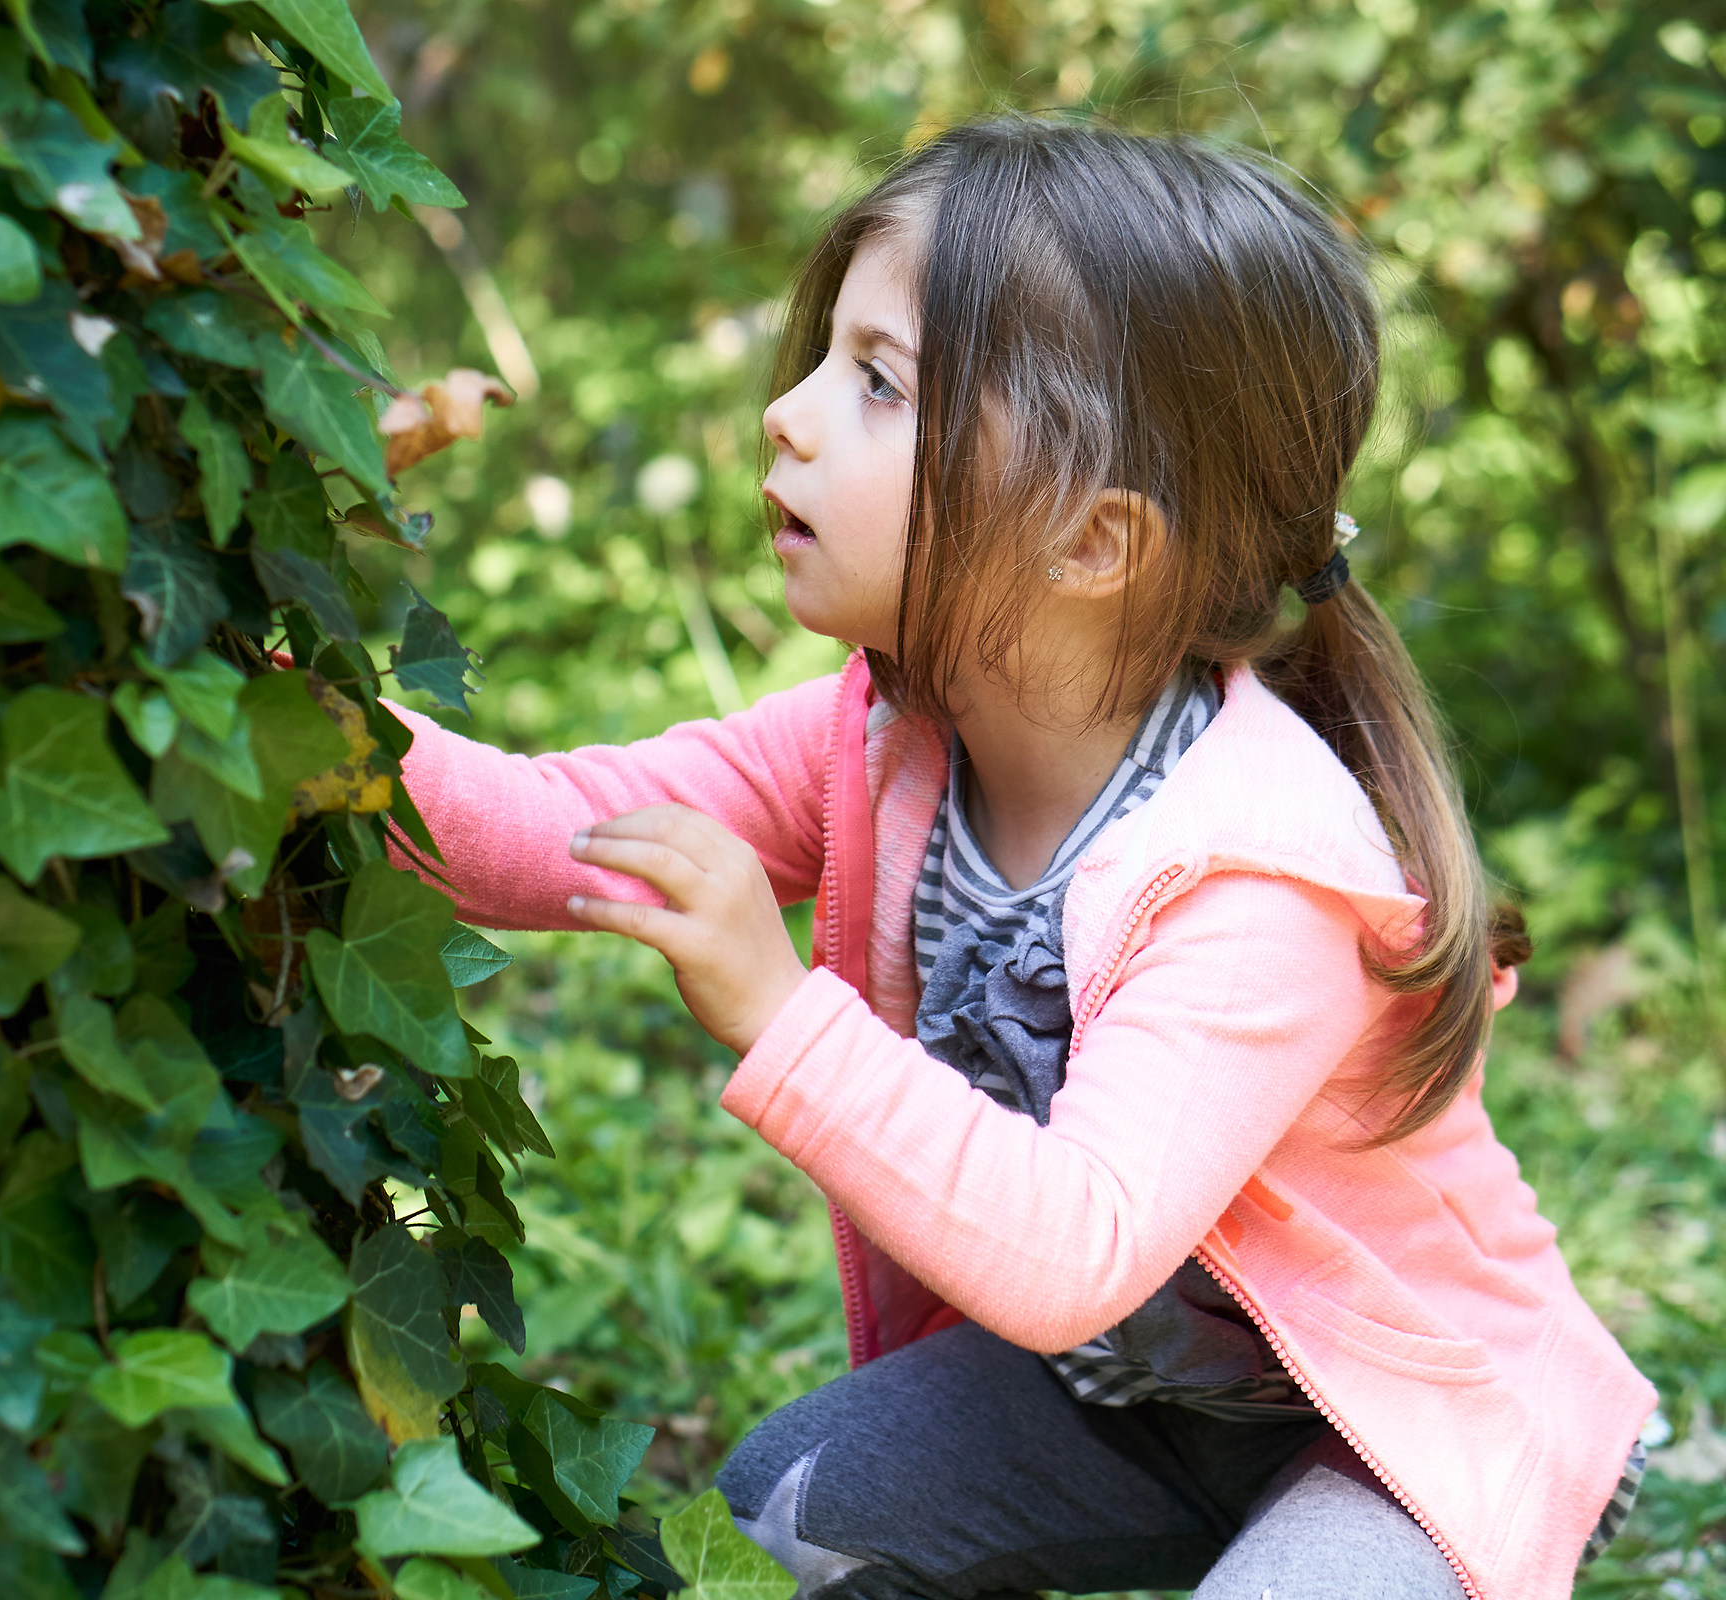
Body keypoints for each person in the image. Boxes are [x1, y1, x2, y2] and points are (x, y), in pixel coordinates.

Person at [379, 118, 1654, 1600]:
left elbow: (1078, 1248)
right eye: (824, 361)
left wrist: (787, 1021)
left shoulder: (1253, 871)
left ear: (1096, 541)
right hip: (1127, 1404)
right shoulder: (887, 736)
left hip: (1394, 1433)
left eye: (876, 383)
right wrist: (300, 708)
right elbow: (554, 829)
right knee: (776, 1516)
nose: (787, 415)